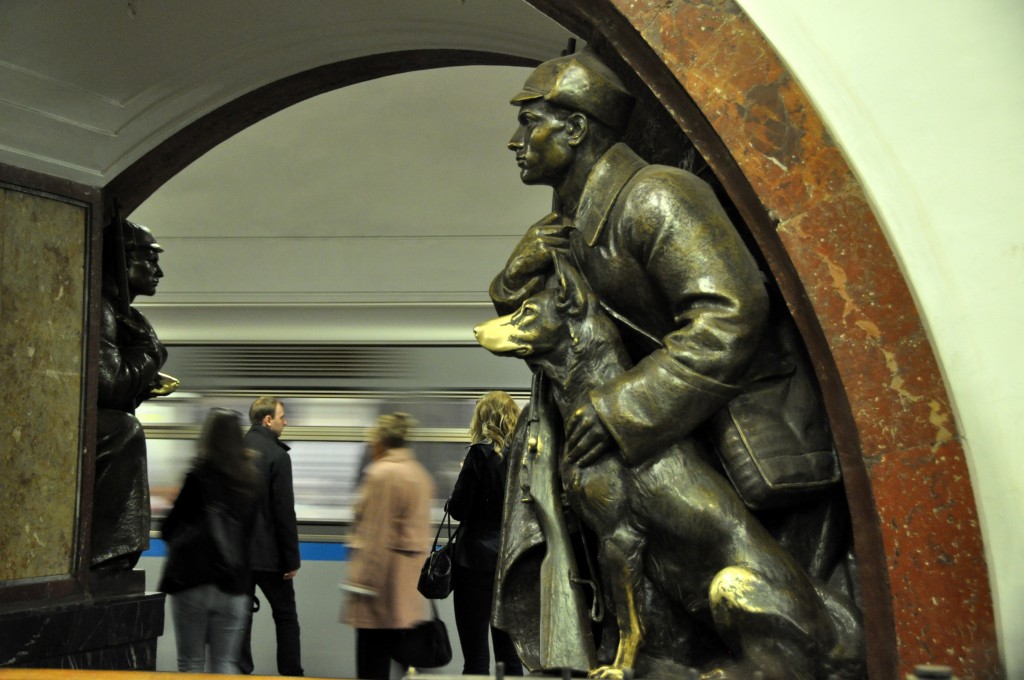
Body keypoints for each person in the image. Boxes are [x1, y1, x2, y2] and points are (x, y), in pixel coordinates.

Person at [488, 48, 854, 677]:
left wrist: (621, 406)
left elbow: (729, 317)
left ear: (576, 129)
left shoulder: (656, 197)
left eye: (532, 122)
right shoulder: (568, 223)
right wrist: (514, 278)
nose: (515, 141)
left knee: (770, 627)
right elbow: (549, 321)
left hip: (735, 445)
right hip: (656, 454)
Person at [93, 218, 177, 569]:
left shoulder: (119, 312)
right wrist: (149, 349)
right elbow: (110, 385)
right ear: (121, 260)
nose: (159, 272)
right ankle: (107, 552)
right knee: (123, 429)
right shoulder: (102, 310)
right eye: (149, 259)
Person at [159, 408, 261, 673]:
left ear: (208, 437)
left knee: (191, 662)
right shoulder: (250, 480)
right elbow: (251, 537)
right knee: (225, 662)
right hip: (233, 584)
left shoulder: (197, 477)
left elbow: (169, 528)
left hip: (192, 581)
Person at [341, 412, 435, 680]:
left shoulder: (382, 475)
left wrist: (361, 584)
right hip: (406, 591)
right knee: (404, 665)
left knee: (372, 666)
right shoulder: (419, 474)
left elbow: (375, 536)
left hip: (379, 592)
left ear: (380, 441)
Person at [447, 392, 524, 676]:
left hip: (475, 564)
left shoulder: (478, 454)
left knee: (476, 656)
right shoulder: (525, 456)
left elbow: (459, 509)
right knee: (509, 656)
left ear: (482, 419)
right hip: (512, 563)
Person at [239, 396, 304, 676]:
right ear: (268, 420)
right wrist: (291, 560)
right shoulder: (278, 456)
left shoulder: (234, 451)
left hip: (237, 556)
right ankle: (290, 674)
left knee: (239, 618)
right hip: (270, 557)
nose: (285, 421)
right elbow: (283, 512)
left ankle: (239, 671)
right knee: (286, 617)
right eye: (282, 417)